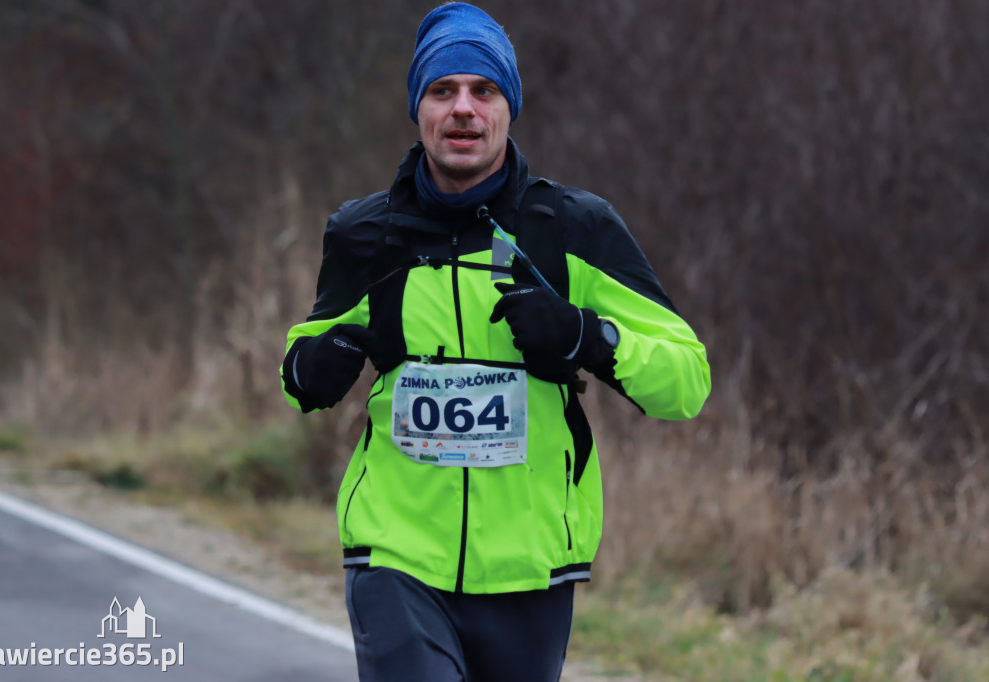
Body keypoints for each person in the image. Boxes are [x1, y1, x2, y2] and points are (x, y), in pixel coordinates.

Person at [280, 3, 711, 680]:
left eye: (484, 91)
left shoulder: (573, 228)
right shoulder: (364, 233)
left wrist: (584, 337)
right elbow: (304, 356)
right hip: (396, 555)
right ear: (418, 109)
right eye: (441, 91)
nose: (463, 110)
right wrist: (314, 368)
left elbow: (686, 381)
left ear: (508, 108)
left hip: (529, 570)